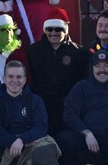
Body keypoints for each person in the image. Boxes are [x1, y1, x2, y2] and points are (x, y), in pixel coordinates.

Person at [27, 8, 88, 137]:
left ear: (65, 30)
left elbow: (83, 81)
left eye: (58, 29)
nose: (53, 33)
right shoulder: (33, 51)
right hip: (41, 106)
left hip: (68, 107)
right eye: (50, 29)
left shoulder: (79, 52)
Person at [0, 14, 30, 102]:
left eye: (10, 29)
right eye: (3, 30)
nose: (8, 33)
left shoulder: (18, 52)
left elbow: (26, 77)